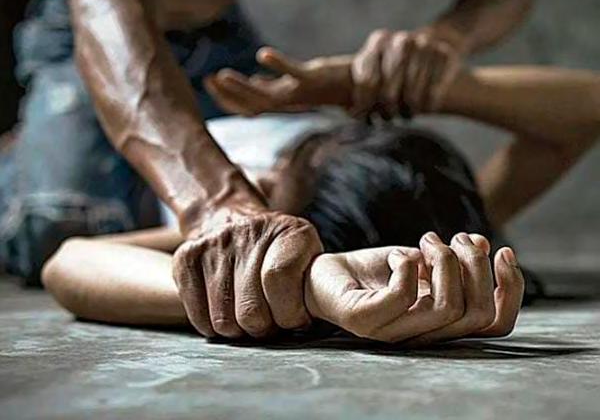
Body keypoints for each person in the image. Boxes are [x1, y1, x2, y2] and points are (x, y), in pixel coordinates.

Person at [0, 0, 534, 339]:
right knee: (53, 219)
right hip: (96, 28)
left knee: (69, 224)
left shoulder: (332, 200)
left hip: (219, 35)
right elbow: (106, 2)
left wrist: (445, 41)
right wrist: (220, 207)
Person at [42, 60, 600, 345]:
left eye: (270, 192)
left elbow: (68, 261)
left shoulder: (256, 246)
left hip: (111, 172)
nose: (251, 183)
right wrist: (391, 82)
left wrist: (297, 285)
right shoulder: (437, 210)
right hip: (222, 80)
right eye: (289, 159)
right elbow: (588, 108)